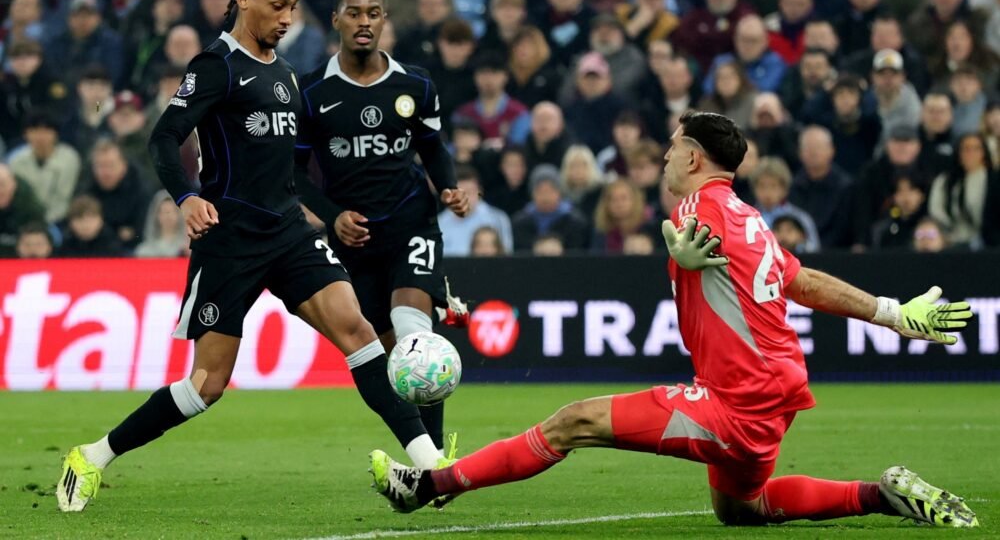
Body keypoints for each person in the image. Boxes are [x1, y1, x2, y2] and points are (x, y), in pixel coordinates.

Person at [369, 111, 979, 530]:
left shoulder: (698, 206)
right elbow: (804, 282)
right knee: (740, 510)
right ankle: (882, 494)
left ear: (691, 155)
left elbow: (710, 240)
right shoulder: (748, 216)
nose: (664, 157)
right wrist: (892, 312)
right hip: (776, 390)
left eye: (670, 147)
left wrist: (685, 254)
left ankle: (428, 487)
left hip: (738, 400)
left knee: (573, 421)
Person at [57, 0, 451, 514]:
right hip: (230, 242)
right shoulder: (216, 66)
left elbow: (292, 164)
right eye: (278, 4)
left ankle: (432, 465)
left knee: (359, 332)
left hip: (288, 233)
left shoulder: (286, 75)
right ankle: (93, 456)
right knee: (206, 386)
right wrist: (187, 197)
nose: (287, 16)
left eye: (293, 6)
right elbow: (164, 138)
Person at [295, 0, 472, 464]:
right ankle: (426, 456)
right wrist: (332, 217)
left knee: (414, 337)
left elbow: (433, 148)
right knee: (395, 361)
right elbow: (293, 172)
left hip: (412, 223)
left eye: (373, 13)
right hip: (354, 241)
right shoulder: (311, 91)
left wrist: (448, 187)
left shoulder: (415, 84)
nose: (364, 22)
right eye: (354, 13)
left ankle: (436, 460)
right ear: (336, 20)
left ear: (384, 20)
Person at [439, 166, 514, 257]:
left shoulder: (497, 219)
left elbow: (506, 258)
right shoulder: (439, 223)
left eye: (469, 192)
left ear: (480, 193)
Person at [135, 190, 189, 257]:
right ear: (156, 215)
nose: (168, 216)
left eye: (173, 211)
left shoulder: (186, 248)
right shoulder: (144, 250)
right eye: (164, 211)